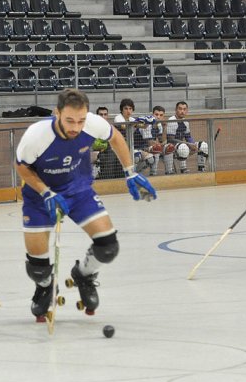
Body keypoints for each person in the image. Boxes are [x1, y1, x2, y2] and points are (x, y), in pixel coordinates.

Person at [15, 89, 157, 320]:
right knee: (37, 268)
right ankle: (46, 286)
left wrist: (130, 172)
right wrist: (46, 192)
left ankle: (84, 275)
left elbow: (116, 138)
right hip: (40, 197)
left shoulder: (93, 123)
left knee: (108, 247)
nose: (75, 127)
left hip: (78, 190)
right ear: (57, 113)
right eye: (69, 120)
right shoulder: (37, 135)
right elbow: (21, 167)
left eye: (80, 120)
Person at [164, 101, 209, 174]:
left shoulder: (185, 122)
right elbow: (171, 139)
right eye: (180, 109)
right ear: (176, 110)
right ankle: (183, 169)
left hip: (182, 145)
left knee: (203, 145)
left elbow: (188, 137)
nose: (182, 111)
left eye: (184, 109)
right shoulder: (172, 120)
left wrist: (193, 145)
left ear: (187, 111)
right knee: (183, 147)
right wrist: (188, 144)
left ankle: (201, 168)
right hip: (172, 147)